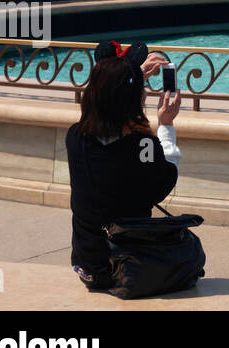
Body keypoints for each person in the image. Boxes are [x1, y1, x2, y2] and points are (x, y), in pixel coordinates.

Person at [65, 46, 183, 290]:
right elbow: (166, 181)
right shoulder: (142, 145)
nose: (145, 96)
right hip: (126, 267)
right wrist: (166, 126)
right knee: (188, 250)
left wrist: (128, 77)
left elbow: (103, 104)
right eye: (141, 92)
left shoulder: (75, 136)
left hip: (87, 267)